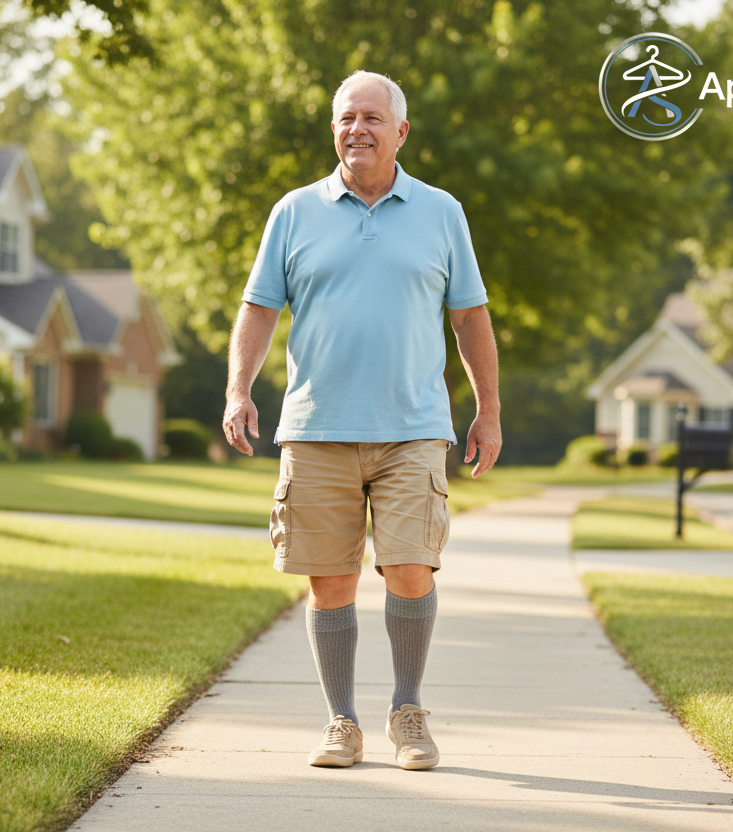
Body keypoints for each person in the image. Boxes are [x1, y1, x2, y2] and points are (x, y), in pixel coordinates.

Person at [222, 70, 501, 771]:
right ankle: (340, 721)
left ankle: (407, 712)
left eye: (373, 117)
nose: (359, 129)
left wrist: (487, 412)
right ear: (335, 129)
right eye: (348, 117)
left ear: (401, 131)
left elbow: (469, 318)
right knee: (330, 581)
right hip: (316, 426)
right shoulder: (294, 211)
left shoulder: (442, 212)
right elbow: (259, 308)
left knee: (410, 567)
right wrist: (239, 389)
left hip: (413, 426)